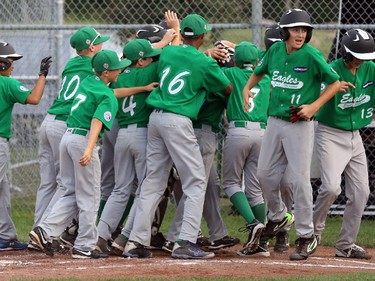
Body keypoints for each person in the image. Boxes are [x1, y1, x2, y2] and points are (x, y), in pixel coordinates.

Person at [122, 13, 232, 259]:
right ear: (203, 37)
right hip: (178, 120)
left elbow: (177, 51)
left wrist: (175, 30)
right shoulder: (205, 63)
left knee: (153, 182)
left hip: (155, 118)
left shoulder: (169, 53)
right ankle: (185, 242)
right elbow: (226, 88)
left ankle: (135, 241)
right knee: (195, 181)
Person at [242, 8, 341, 260]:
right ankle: (278, 216)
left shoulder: (311, 55)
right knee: (263, 174)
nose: (300, 34)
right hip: (275, 121)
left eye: (304, 30)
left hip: (299, 122)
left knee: (299, 180)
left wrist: (314, 106)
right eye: (296, 29)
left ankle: (307, 236)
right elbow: (258, 72)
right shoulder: (275, 50)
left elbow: (334, 82)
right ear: (285, 31)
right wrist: (247, 89)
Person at [29, 49, 132, 259]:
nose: (120, 71)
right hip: (82, 140)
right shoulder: (106, 95)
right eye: (116, 69)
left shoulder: (88, 83)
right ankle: (84, 245)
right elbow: (96, 121)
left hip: (67, 138)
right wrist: (89, 147)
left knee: (70, 191)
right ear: (105, 73)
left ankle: (44, 230)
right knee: (90, 196)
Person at [30, 27, 110, 250]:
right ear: (92, 47)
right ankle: (46, 233)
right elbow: (110, 71)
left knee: (49, 183)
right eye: (99, 43)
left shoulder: (72, 63)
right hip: (66, 123)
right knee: (66, 186)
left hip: (49, 121)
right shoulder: (91, 66)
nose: (102, 46)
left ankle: (39, 232)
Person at [313, 29, 375, 260]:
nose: (362, 60)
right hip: (329, 133)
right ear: (346, 53)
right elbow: (317, 99)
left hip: (355, 136)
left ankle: (346, 245)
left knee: (361, 193)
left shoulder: (370, 69)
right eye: (358, 55)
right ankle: (312, 234)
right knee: (330, 187)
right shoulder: (332, 71)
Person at [95, 39, 161, 253]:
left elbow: (114, 91)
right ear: (140, 61)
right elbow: (168, 57)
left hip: (122, 134)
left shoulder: (118, 76)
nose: (152, 59)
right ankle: (128, 239)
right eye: (148, 57)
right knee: (144, 190)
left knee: (120, 189)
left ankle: (100, 235)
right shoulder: (149, 71)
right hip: (142, 134)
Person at [0, 41, 51, 251]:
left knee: (2, 191)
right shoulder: (7, 83)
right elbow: (34, 98)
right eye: (10, 62)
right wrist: (42, 76)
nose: (13, 66)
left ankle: (5, 236)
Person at [221, 42, 270, 256]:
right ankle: (260, 244)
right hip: (263, 133)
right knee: (254, 189)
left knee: (231, 183)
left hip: (238, 130)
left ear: (236, 61)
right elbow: (262, 56)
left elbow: (211, 70)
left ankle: (253, 224)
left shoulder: (231, 72)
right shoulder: (266, 78)